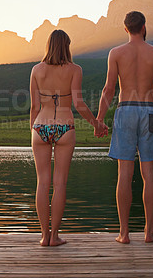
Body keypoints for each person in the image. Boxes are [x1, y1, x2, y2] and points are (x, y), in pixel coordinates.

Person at [30, 29, 107, 246]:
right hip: (65, 126)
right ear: (67, 46)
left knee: (42, 183)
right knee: (60, 183)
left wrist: (33, 131)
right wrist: (97, 124)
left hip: (40, 127)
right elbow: (79, 104)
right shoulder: (75, 70)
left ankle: (44, 237)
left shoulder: (36, 70)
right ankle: (55, 236)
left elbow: (35, 106)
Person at [96, 11, 153, 244]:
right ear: (144, 27)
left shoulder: (116, 53)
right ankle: (149, 233)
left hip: (125, 110)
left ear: (126, 29)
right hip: (148, 111)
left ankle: (124, 234)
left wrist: (99, 118)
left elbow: (108, 89)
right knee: (149, 174)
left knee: (124, 175)